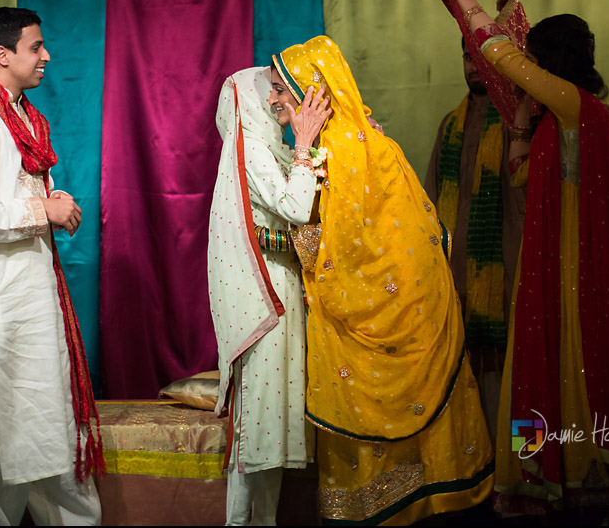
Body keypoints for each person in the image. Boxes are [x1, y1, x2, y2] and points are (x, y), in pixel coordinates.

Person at [431, 0, 609, 523]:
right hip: (547, 262)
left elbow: (499, 55)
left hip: (572, 270)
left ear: (550, 63)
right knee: (535, 369)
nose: (523, 67)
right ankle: (541, 471)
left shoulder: (579, 108)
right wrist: (524, 120)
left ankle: (581, 472)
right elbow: (518, 172)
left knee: (573, 364)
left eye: (533, 61)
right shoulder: (559, 119)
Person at [270, 35, 494, 525]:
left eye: (280, 89)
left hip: (371, 314)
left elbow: (325, 256)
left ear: (310, 93)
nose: (272, 100)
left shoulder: (337, 155)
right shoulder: (369, 141)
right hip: (415, 304)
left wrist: (280, 237)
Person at [0, 7, 104, 526]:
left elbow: (16, 192)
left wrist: (54, 201)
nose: (46, 56)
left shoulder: (26, 118)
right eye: (36, 47)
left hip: (31, 309)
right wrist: (40, 211)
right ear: (2, 55)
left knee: (48, 438)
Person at [208, 66, 330, 525]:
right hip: (265, 301)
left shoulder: (270, 149)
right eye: (272, 91)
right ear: (249, 103)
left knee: (270, 429)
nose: (280, 99)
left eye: (282, 90)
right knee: (255, 429)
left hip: (283, 293)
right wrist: (304, 147)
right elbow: (298, 210)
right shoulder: (253, 150)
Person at [425, 27, 527, 446]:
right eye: (468, 58)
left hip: (509, 275)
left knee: (513, 379)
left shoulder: (519, 126)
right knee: (464, 376)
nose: (474, 67)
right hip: (456, 281)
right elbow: (430, 206)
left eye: (482, 59)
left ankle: (522, 472)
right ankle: (477, 474)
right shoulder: (450, 126)